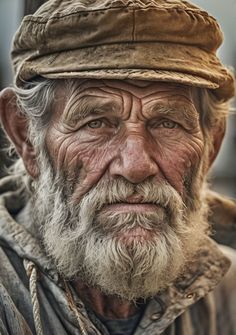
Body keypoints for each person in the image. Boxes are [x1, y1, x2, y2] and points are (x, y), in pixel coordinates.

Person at [0, 0, 235, 334]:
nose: (136, 165)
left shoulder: (229, 292)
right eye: (96, 123)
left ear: (211, 143)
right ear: (26, 137)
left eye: (167, 123)